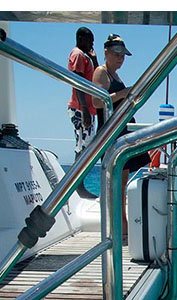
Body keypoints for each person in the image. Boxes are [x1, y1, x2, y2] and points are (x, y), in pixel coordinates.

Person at [92, 34, 150, 235]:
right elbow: (97, 102)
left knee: (122, 185)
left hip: (122, 132)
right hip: (112, 135)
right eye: (116, 54)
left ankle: (122, 228)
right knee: (116, 186)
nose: (120, 58)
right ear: (106, 52)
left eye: (123, 55)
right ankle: (119, 229)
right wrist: (124, 93)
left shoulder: (114, 75)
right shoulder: (101, 72)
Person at [68, 27, 99, 198]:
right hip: (81, 109)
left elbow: (95, 77)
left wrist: (94, 59)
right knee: (82, 147)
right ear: (80, 38)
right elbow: (77, 82)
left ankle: (79, 184)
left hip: (87, 109)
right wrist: (85, 109)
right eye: (89, 40)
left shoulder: (85, 56)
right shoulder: (78, 54)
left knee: (86, 146)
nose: (91, 44)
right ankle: (77, 186)